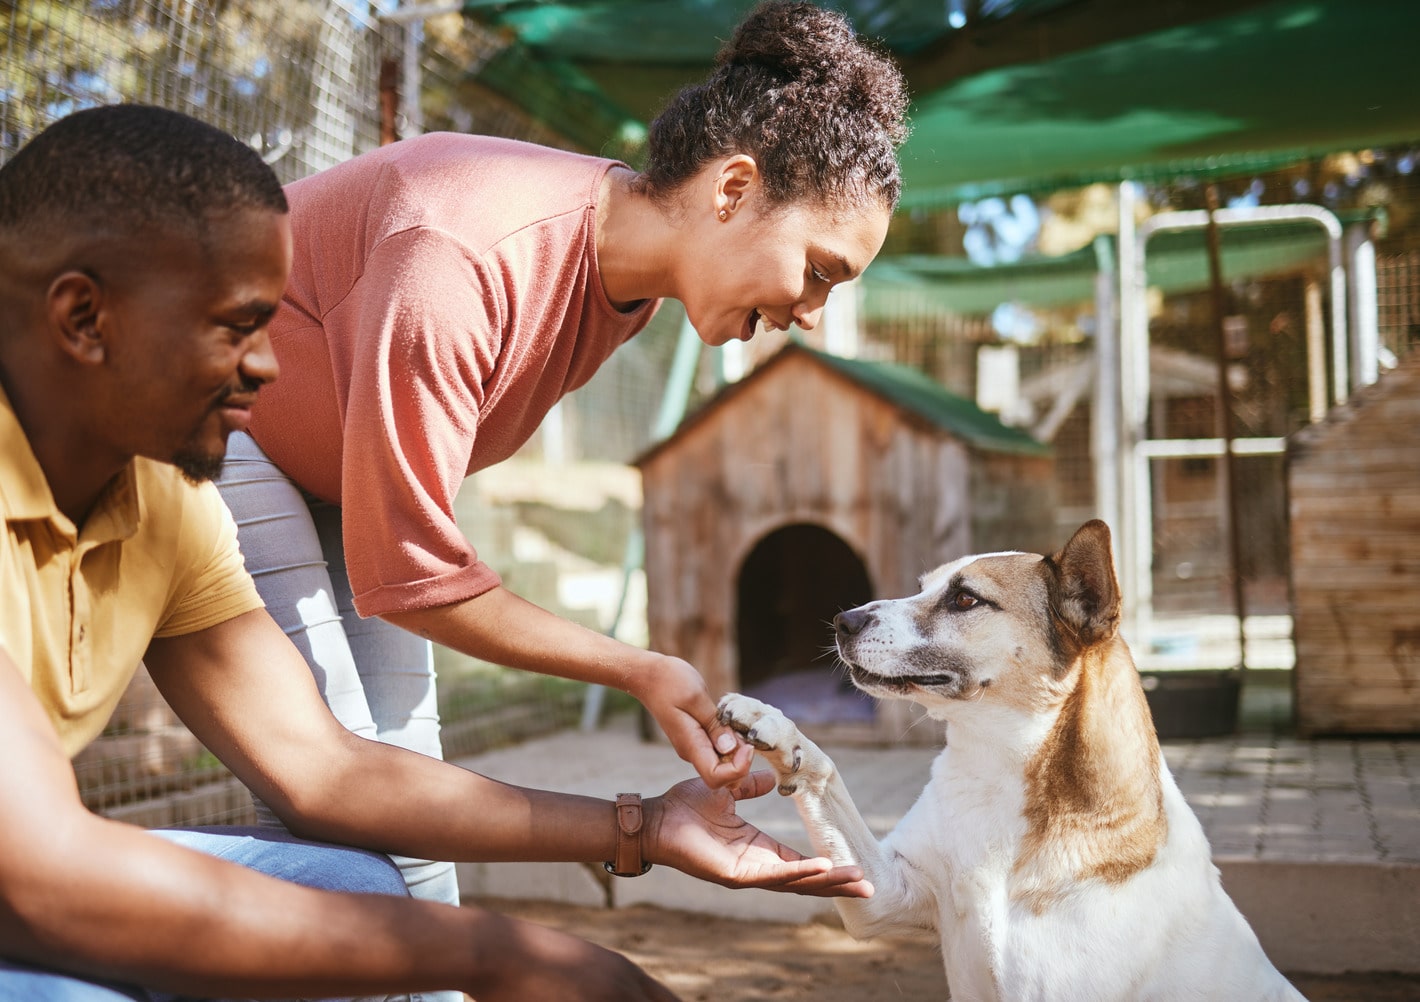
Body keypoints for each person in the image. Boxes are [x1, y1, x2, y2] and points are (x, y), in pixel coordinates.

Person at [0, 103, 872, 1002]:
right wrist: (501, 959)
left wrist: (642, 829)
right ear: (81, 318)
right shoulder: (457, 250)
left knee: (358, 880)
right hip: (27, 888)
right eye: (236, 327)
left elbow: (326, 772)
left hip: (316, 496)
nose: (269, 367)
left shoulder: (163, 506)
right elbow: (37, 879)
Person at [216, 0, 911, 943]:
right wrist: (636, 668)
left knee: (406, 765)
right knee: (336, 786)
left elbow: (404, 558)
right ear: (732, 189)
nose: (813, 311)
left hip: (329, 473)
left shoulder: (629, 281)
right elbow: (413, 573)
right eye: (819, 270)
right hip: (219, 427)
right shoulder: (458, 258)